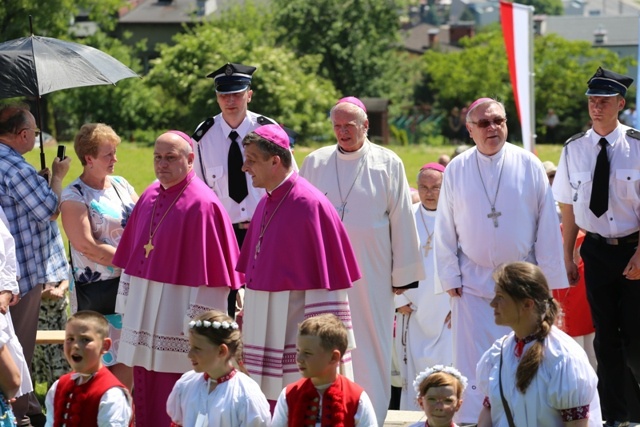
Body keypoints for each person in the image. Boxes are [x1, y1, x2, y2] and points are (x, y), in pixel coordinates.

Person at [434, 97, 568, 424]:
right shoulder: (457, 169)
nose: (493, 128)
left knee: (527, 356)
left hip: (522, 285)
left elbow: (547, 226)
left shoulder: (529, 164)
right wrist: (449, 277)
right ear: (469, 130)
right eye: (484, 123)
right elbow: (445, 227)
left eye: (499, 121)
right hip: (471, 285)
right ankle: (472, 421)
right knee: (472, 363)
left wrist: (546, 283)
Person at [300, 96, 423, 424]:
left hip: (373, 272)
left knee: (372, 341)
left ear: (365, 126)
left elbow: (401, 220)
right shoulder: (315, 162)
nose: (343, 132)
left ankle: (373, 412)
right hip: (325, 271)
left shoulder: (388, 162)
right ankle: (329, 410)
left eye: (349, 126)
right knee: (326, 338)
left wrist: (403, 278)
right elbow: (302, 218)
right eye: (337, 126)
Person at [112, 131, 243, 426]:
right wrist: (130, 303)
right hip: (145, 313)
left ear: (190, 159)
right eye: (157, 157)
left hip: (177, 316)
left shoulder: (204, 205)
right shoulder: (148, 195)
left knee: (178, 389)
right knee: (144, 383)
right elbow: (133, 258)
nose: (162, 164)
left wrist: (197, 326)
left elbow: (214, 278)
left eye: (171, 158)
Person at [236, 124, 361, 406]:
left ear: (275, 161)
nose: (245, 168)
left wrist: (319, 344)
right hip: (265, 327)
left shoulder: (309, 205)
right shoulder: (267, 201)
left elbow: (325, 288)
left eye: (252, 160)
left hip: (294, 331)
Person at [552, 67, 640, 426]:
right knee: (606, 339)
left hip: (633, 248)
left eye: (604, 101)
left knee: (635, 337)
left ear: (620, 103)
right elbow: (569, 206)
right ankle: (616, 417)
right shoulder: (574, 148)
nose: (596, 107)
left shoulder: (636, 146)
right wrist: (568, 253)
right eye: (592, 101)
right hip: (597, 251)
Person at [0, 103, 71, 426]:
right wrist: (56, 177)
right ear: (23, 134)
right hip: (21, 272)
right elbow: (50, 210)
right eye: (35, 133)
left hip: (9, 271)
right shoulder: (17, 168)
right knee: (18, 345)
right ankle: (17, 413)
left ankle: (27, 408)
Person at [192, 62, 278, 319]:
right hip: (223, 234)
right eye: (224, 95)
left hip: (263, 229)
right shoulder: (202, 136)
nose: (231, 101)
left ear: (249, 94)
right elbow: (198, 190)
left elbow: (287, 182)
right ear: (217, 97)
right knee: (224, 307)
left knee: (265, 303)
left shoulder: (267, 130)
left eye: (237, 94)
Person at [60, 123, 138, 390]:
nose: (115, 159)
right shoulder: (73, 195)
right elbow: (86, 245)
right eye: (108, 154)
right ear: (89, 159)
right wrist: (133, 260)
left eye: (115, 152)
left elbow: (142, 222)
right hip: (97, 292)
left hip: (128, 288)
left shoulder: (121, 184)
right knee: (98, 367)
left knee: (128, 360)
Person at [477, 261, 602, 426]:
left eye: (500, 297)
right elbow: (490, 410)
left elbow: (577, 423)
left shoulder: (564, 358)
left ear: (527, 304)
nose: (493, 303)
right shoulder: (498, 353)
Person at [394, 163, 452, 411]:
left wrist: (460, 306)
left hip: (447, 311)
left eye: (436, 187)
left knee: (447, 371)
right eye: (424, 187)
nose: (429, 193)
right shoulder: (405, 217)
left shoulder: (456, 217)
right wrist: (398, 302)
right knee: (415, 372)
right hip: (413, 310)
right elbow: (390, 257)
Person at [167, 310, 270, 427]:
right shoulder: (186, 384)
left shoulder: (246, 396)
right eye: (191, 347)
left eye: (197, 348)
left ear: (221, 351)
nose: (190, 355)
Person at [271, 313, 377, 427]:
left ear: (333, 357)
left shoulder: (356, 398)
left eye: (307, 353)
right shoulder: (289, 395)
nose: (299, 359)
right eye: (298, 351)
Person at [44, 311, 133, 427]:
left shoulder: (111, 394)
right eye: (70, 339)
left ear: (105, 345)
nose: (75, 346)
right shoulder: (58, 386)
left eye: (85, 339)